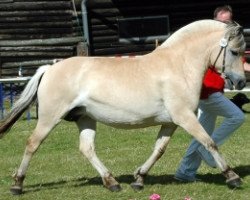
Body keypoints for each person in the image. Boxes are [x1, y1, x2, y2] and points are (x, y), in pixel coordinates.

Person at [174, 5, 246, 182]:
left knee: (201, 135)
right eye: (221, 22)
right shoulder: (209, 42)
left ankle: (185, 172)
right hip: (207, 93)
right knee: (237, 117)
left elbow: (239, 63)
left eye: (228, 22)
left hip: (212, 93)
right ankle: (208, 150)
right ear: (214, 21)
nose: (224, 25)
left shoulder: (228, 43)